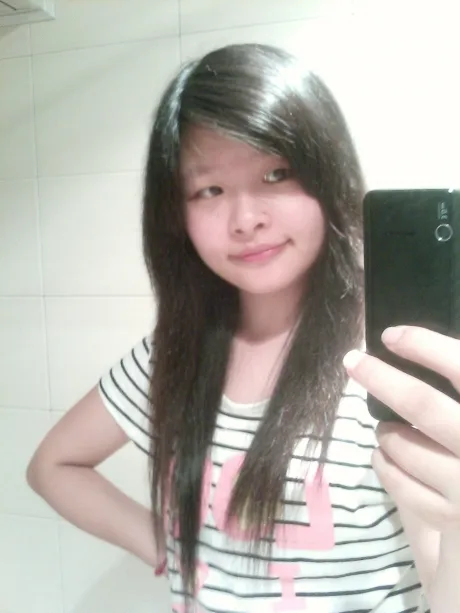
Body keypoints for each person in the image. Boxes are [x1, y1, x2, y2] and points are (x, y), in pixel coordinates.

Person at [26, 43, 460, 613]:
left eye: (276, 173)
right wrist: (166, 548)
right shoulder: (169, 355)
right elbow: (53, 466)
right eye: (210, 189)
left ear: (327, 177)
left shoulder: (391, 362)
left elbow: (442, 587)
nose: (246, 219)